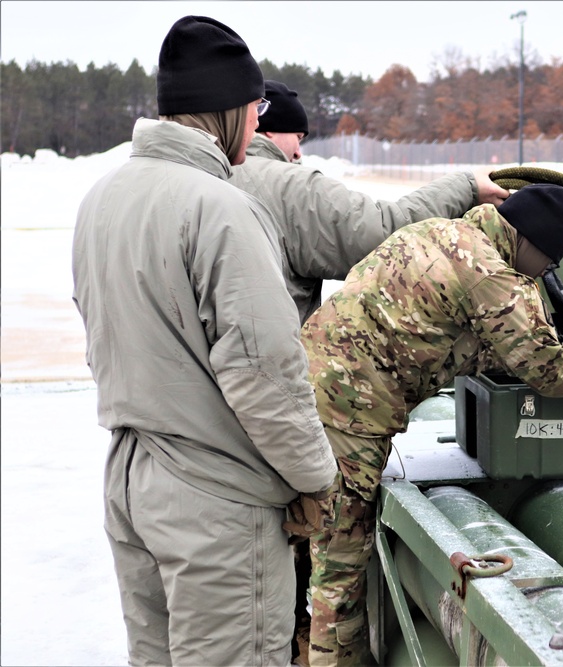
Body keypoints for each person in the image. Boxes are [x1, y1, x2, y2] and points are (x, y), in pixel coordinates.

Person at [289, 184, 563, 665]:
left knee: (303, 540)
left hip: (301, 390)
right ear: (529, 243)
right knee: (340, 560)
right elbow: (552, 372)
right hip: (351, 413)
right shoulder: (493, 277)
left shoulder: (440, 231)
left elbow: (440, 329)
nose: (544, 276)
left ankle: (294, 646)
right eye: (545, 264)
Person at [72, 16, 338, 665]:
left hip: (131, 483)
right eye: (250, 111)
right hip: (215, 505)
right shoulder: (222, 209)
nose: (255, 125)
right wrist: (316, 478)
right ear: (222, 113)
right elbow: (263, 371)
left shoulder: (101, 199)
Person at [228, 78, 508, 664]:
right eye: (292, 134)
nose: (298, 150)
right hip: (277, 416)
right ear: (257, 120)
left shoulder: (174, 185)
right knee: (320, 571)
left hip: (198, 438)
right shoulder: (280, 184)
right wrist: (463, 186)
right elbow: (379, 230)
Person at [229, 79, 509, 324]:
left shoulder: (212, 172)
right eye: (298, 137)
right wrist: (467, 185)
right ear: (268, 129)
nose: (299, 153)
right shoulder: (291, 187)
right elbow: (385, 234)